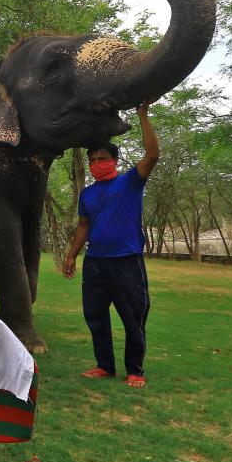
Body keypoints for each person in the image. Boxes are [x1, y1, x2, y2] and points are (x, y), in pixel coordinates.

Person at [64, 104, 159, 389]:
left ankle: (135, 370)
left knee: (133, 318)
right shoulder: (88, 194)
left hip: (126, 261)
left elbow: (153, 155)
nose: (96, 163)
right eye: (92, 159)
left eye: (102, 158)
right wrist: (71, 256)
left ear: (114, 161)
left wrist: (142, 115)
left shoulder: (130, 183)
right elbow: (83, 226)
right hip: (96, 263)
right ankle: (105, 365)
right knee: (95, 315)